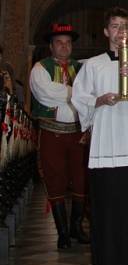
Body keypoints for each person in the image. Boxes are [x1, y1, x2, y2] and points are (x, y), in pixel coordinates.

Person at [72, 8, 128, 265]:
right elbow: (78, 97)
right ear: (106, 32)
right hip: (107, 141)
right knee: (109, 202)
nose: (120, 30)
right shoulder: (93, 64)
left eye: (124, 26)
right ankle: (110, 258)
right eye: (114, 26)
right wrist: (98, 100)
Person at [30, 23, 88, 249]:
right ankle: (62, 232)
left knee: (81, 178)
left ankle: (77, 227)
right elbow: (45, 94)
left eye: (68, 43)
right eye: (59, 43)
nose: (64, 47)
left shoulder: (82, 68)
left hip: (78, 133)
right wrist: (77, 95)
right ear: (51, 46)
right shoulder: (39, 68)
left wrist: (66, 97)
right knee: (55, 179)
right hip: (51, 132)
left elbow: (90, 94)